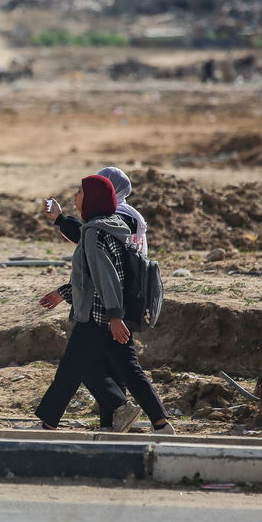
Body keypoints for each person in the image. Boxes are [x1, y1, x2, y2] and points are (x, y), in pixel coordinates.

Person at [34, 174, 173, 434]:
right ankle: (161, 423)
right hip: (109, 314)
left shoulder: (94, 233)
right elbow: (97, 275)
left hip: (98, 317)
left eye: (80, 191)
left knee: (70, 371)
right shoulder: (111, 225)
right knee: (129, 371)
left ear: (93, 198)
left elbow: (105, 277)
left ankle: (47, 425)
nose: (76, 195)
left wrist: (114, 316)